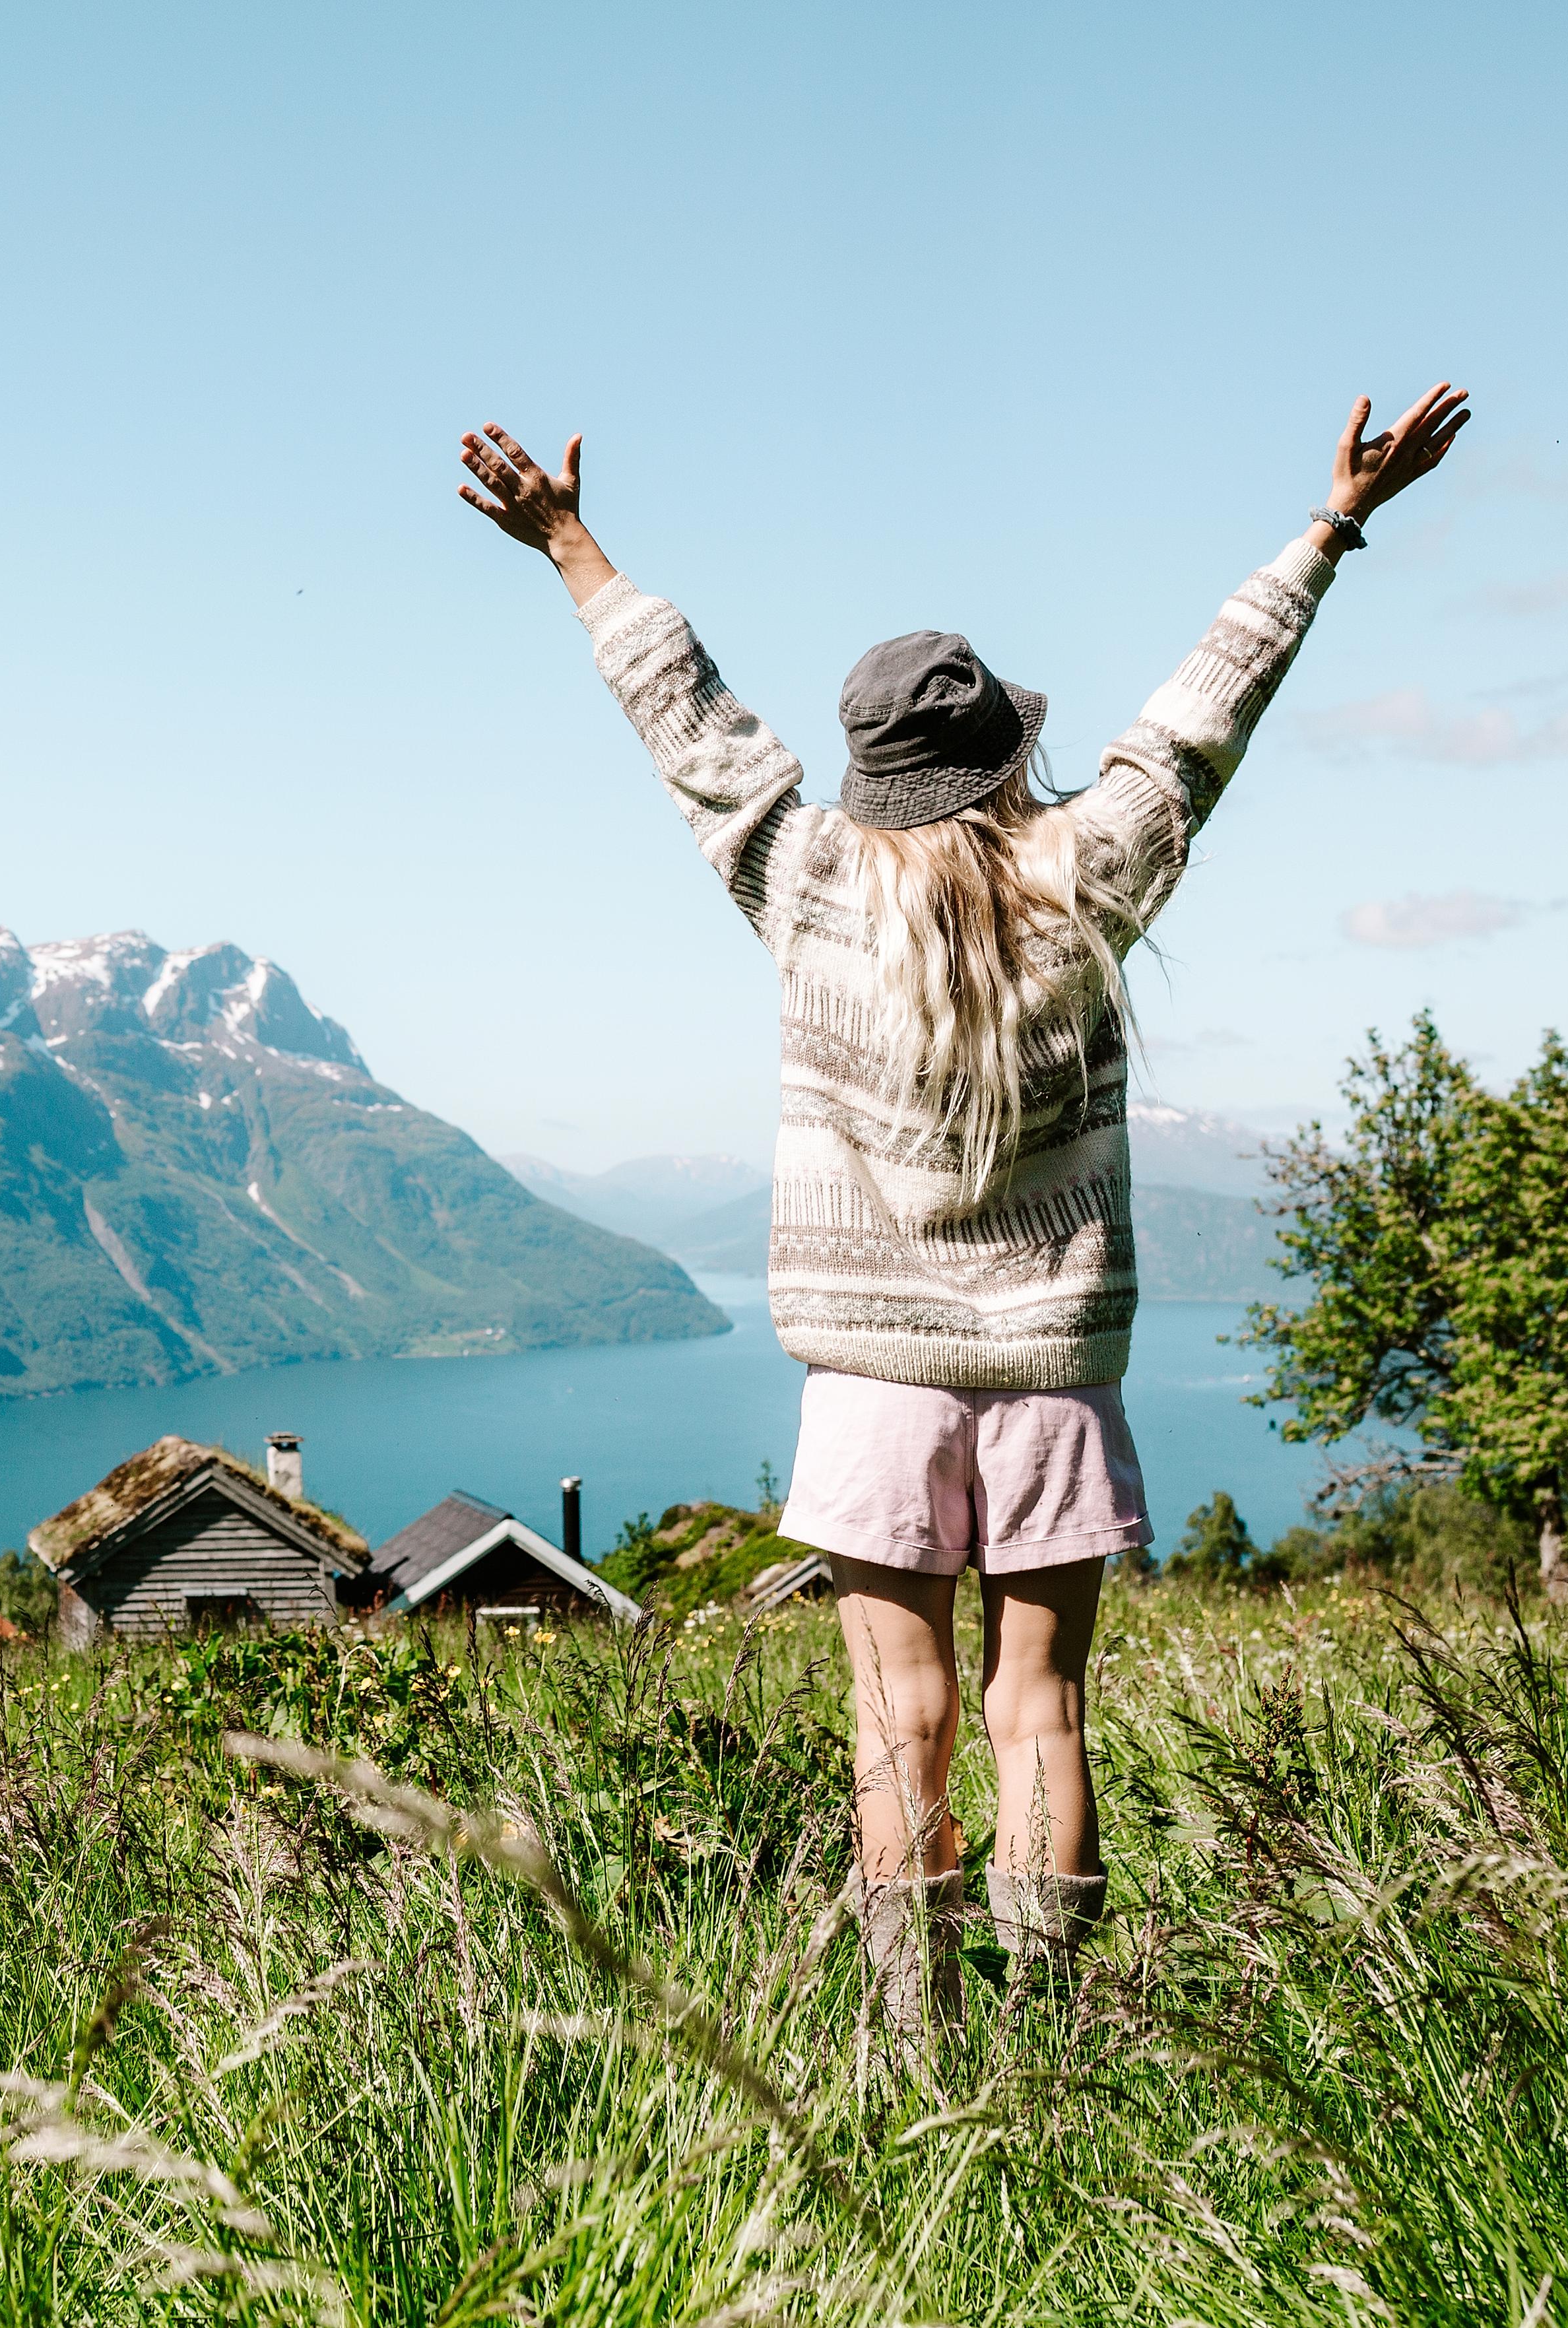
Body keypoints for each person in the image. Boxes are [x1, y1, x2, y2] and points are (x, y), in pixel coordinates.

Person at [457, 387, 1470, 2051]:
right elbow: (1201, 721)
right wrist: (1328, 526)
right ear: (1006, 756)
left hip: (868, 1380)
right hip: (1054, 1375)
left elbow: (690, 726)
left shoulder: (803, 885)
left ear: (869, 777)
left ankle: (919, 2051)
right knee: (1039, 1710)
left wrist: (569, 547)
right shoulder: (1091, 875)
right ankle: (1054, 2050)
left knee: (893, 1712)